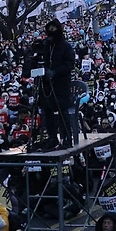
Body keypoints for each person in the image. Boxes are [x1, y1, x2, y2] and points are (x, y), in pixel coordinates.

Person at [41, 19, 76, 149]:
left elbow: (69, 65)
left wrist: (55, 72)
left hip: (61, 84)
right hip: (46, 85)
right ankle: (52, 138)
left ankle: (66, 138)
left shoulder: (66, 47)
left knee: (62, 112)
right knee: (47, 110)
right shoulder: (46, 46)